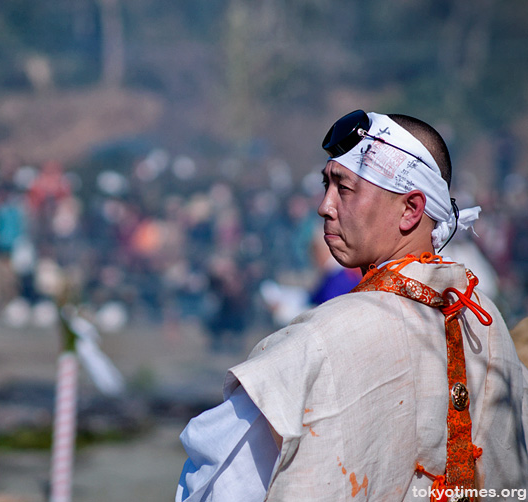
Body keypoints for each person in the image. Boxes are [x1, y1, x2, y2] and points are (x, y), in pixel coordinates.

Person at [175, 110, 528, 501]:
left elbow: (218, 482)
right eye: (326, 186)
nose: (325, 206)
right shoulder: (489, 323)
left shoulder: (320, 339)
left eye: (344, 189)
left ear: (411, 209)